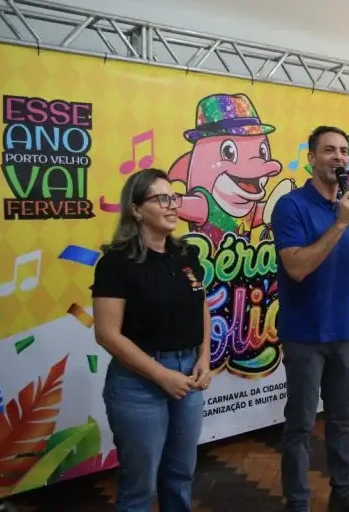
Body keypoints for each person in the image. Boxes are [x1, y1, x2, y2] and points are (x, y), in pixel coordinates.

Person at [271, 125, 349, 512]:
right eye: (329, 150)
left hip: (343, 333)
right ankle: (298, 502)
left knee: (341, 420)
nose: (339, 157)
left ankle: (343, 492)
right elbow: (297, 268)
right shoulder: (291, 206)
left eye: (344, 151)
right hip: (304, 336)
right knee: (300, 426)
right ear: (312, 158)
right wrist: (339, 224)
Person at [91, 167, 212, 512]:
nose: (172, 205)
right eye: (161, 199)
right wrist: (161, 375)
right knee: (140, 489)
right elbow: (107, 334)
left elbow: (201, 306)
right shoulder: (116, 263)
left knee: (180, 476)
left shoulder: (185, 254)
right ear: (136, 209)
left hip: (188, 378)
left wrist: (204, 357)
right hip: (137, 384)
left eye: (174, 197)